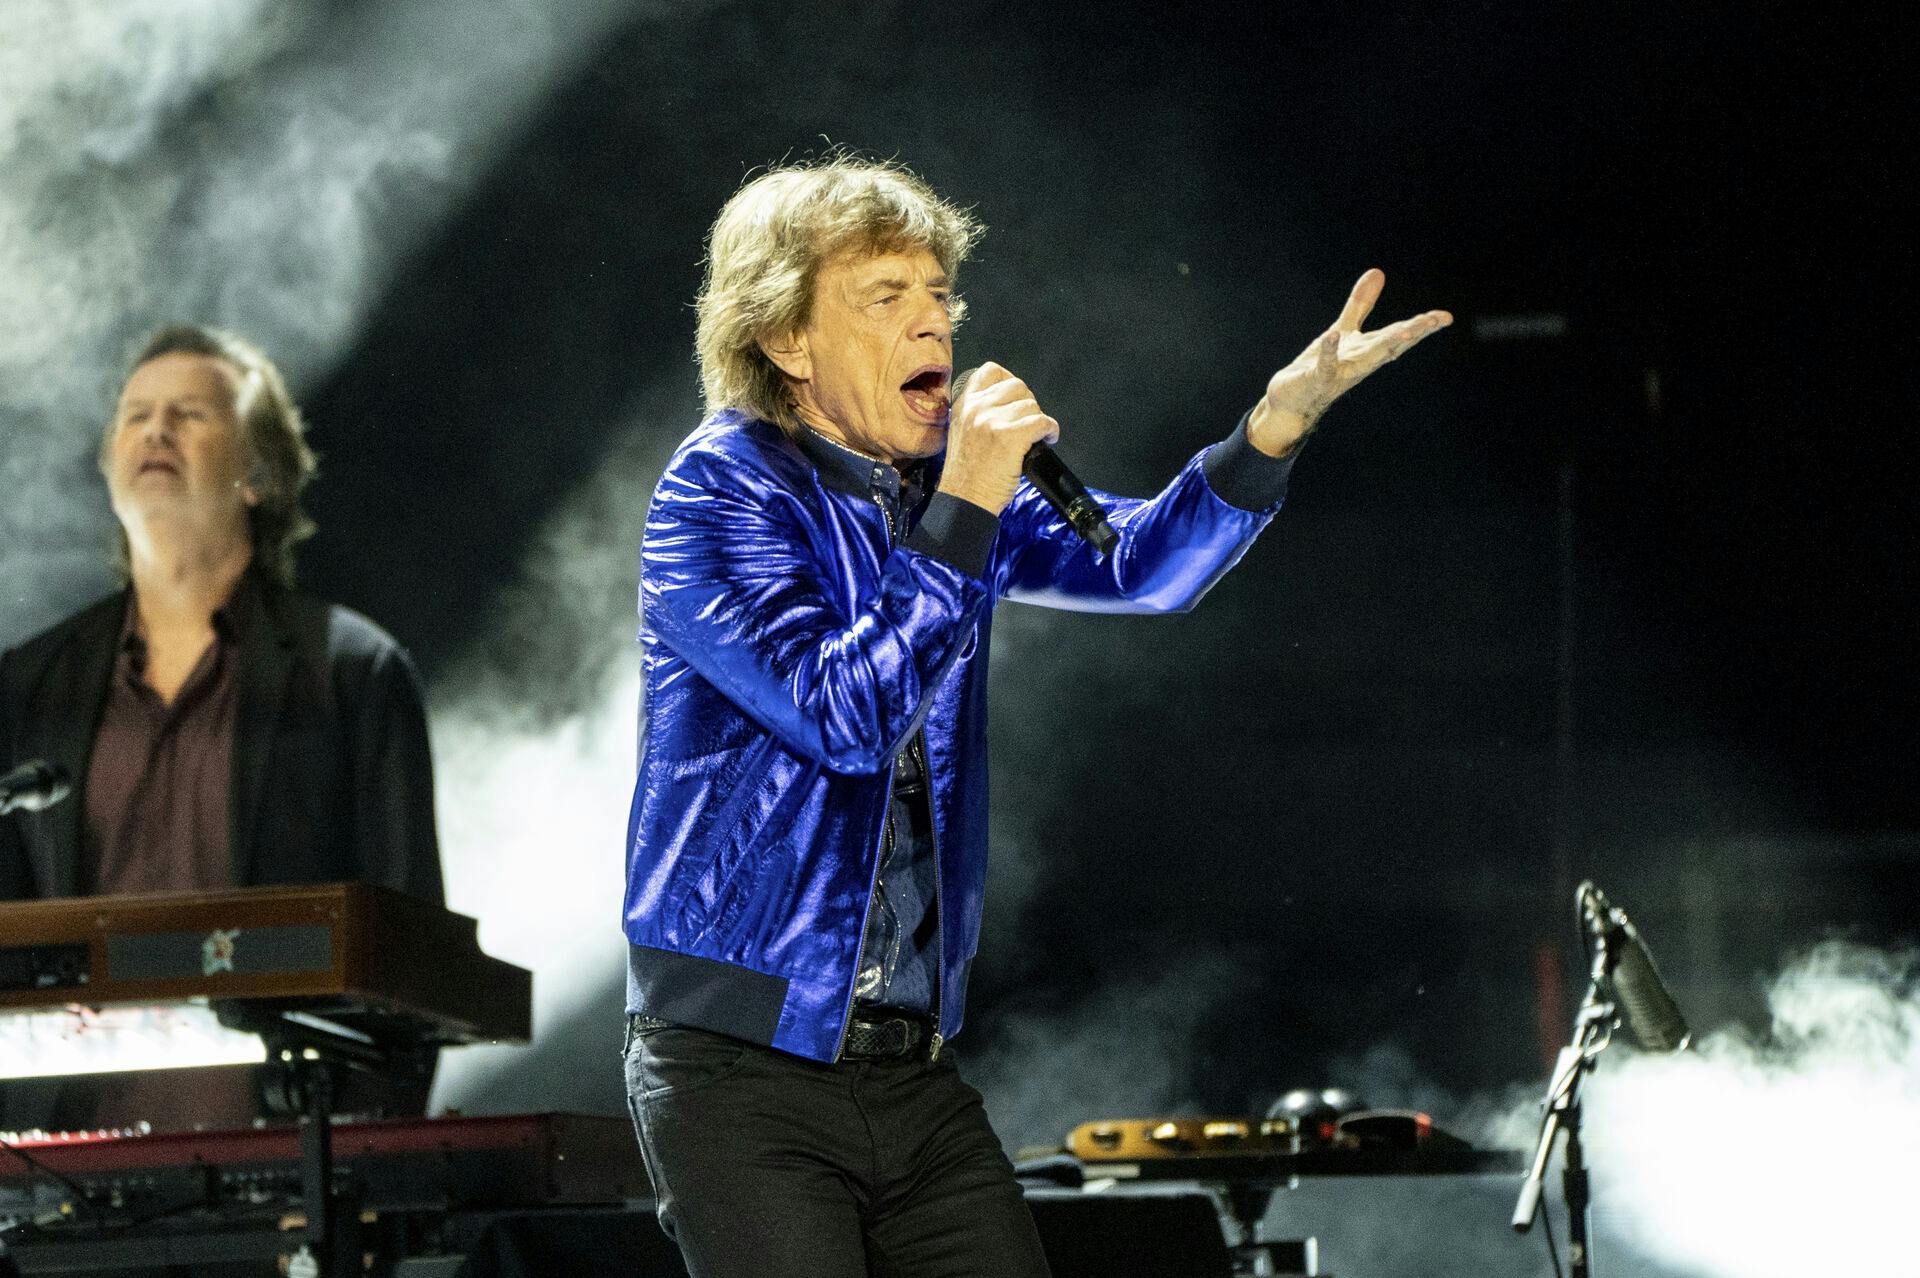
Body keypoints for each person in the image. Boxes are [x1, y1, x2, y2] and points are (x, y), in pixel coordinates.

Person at [620, 156, 1449, 1277]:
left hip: (910, 1073)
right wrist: (967, 500)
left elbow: (1142, 564)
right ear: (786, 339)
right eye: (886, 298)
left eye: (939, 296)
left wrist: (1271, 428)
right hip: (739, 1069)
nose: (935, 325)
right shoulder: (717, 493)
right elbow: (845, 716)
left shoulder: (938, 495)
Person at [0, 324, 443, 1130]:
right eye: (135, 416)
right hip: (63, 1176)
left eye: (191, 414)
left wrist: (360, 1187)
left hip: (284, 1162)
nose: (155, 431)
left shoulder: (353, 673)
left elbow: (411, 969)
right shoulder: (27, 687)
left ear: (260, 473)